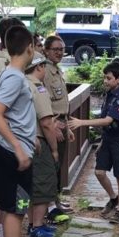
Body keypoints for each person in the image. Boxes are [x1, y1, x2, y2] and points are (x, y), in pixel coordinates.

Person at [0, 25, 44, 237]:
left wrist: (30, 138)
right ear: (30, 47)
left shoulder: (13, 74)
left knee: (16, 208)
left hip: (16, 150)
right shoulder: (15, 78)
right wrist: (19, 148)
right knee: (15, 208)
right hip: (12, 155)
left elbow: (14, 114)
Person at [68, 62, 119, 224]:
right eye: (105, 77)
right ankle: (113, 198)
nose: (105, 81)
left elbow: (108, 120)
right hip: (108, 139)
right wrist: (102, 142)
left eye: (108, 78)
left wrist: (82, 122)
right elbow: (107, 123)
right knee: (99, 172)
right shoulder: (109, 94)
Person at [25, 51, 59, 237]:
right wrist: (54, 150)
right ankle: (37, 226)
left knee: (31, 184)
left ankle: (32, 224)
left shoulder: (21, 83)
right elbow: (46, 122)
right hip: (38, 141)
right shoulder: (38, 88)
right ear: (39, 67)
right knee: (43, 182)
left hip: (23, 141)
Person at [42, 35, 75, 218]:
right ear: (46, 50)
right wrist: (53, 124)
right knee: (51, 166)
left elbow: (63, 101)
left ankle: (56, 201)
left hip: (62, 122)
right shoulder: (45, 71)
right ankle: (49, 206)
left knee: (59, 165)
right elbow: (43, 101)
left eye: (62, 49)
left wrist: (67, 125)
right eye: (55, 49)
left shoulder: (57, 70)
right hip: (52, 125)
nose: (60, 53)